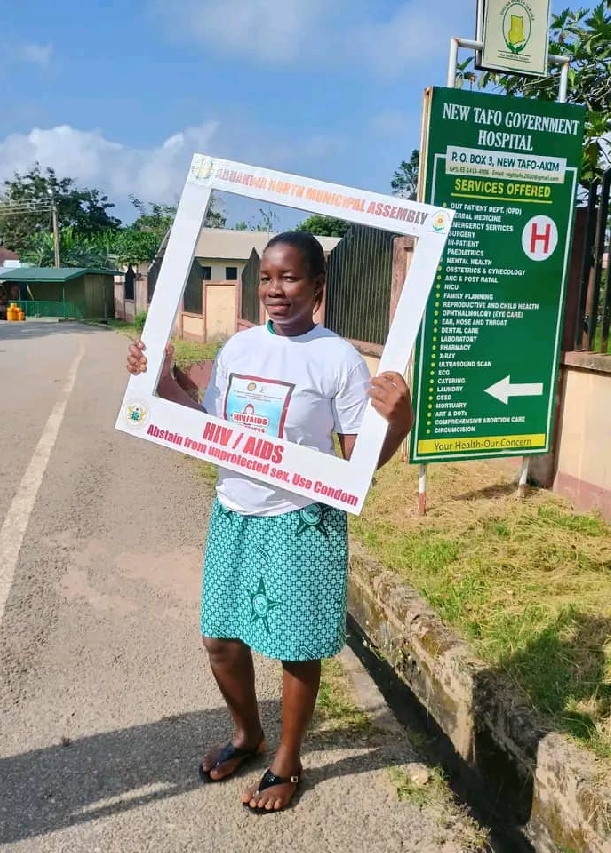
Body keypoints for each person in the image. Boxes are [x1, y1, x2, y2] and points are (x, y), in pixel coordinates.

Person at [126, 231, 414, 814]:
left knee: (295, 646)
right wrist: (160, 381)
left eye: (290, 277)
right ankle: (247, 735)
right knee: (220, 640)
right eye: (266, 278)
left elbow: (355, 464)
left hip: (302, 518)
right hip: (235, 510)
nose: (275, 290)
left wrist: (399, 423)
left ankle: (287, 759)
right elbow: (209, 426)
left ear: (317, 286)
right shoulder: (239, 348)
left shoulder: (338, 358)